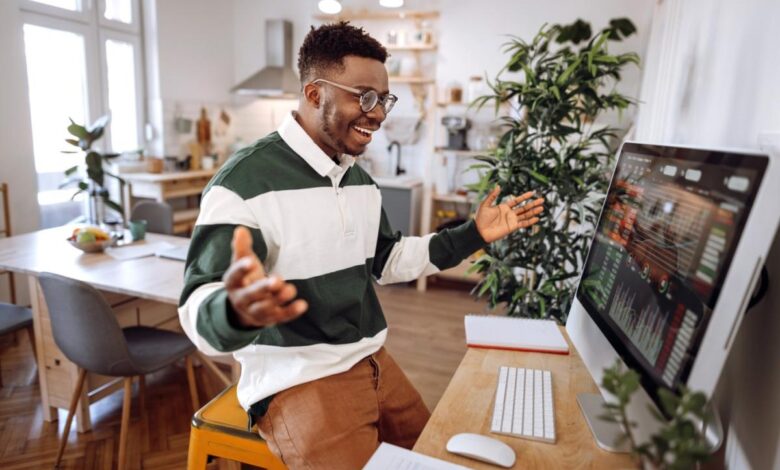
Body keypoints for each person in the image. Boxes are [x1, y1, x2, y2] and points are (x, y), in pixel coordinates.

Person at [178, 22, 545, 469]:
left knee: (437, 460)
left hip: (370, 361)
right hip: (297, 380)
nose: (378, 113)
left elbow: (387, 260)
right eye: (363, 96)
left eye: (383, 99)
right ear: (315, 94)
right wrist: (234, 311)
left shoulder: (358, 180)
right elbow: (198, 302)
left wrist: (474, 235)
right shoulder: (245, 183)